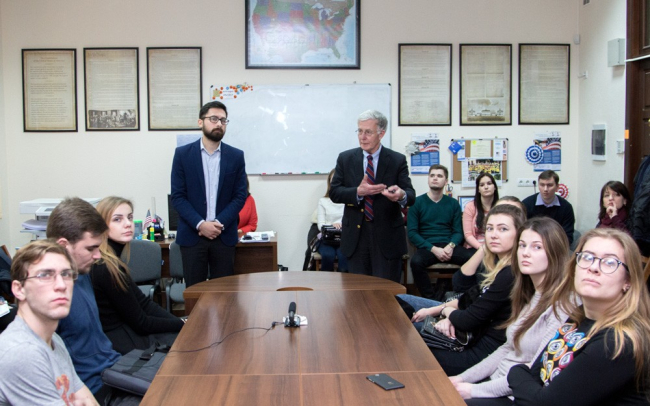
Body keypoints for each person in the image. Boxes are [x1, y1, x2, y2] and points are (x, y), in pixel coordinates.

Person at [507, 228, 650, 405]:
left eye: (609, 262)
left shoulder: (618, 341)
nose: (593, 267)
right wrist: (526, 380)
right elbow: (537, 373)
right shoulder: (579, 315)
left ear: (628, 281)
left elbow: (545, 403)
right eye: (587, 257)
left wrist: (516, 371)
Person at [450, 218, 571, 404]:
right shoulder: (530, 293)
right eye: (522, 245)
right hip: (494, 383)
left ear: (555, 252)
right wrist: (461, 379)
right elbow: (507, 349)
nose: (525, 253)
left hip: (513, 396)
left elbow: (534, 369)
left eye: (537, 247)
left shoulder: (562, 305)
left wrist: (472, 390)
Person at [399, 204, 525, 376]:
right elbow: (465, 294)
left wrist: (447, 313)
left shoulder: (509, 274)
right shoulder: (498, 265)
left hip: (476, 351)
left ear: (519, 234)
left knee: (404, 340)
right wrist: (438, 312)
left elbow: (467, 320)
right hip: (467, 331)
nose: (494, 235)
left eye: (503, 229)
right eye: (489, 228)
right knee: (400, 304)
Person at [48, 197, 140, 405]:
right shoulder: (51, 295)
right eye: (91, 249)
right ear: (63, 246)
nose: (98, 256)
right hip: (95, 389)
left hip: (114, 371)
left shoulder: (82, 273)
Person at [0, 240, 98, 405]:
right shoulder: (22, 352)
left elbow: (87, 399)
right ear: (19, 289)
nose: (61, 285)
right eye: (45, 275)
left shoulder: (53, 339)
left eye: (66, 274)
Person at [329, 110, 415, 282]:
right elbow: (334, 192)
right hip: (356, 236)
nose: (362, 137)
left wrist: (400, 196)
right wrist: (358, 192)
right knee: (358, 291)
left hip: (387, 236)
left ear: (381, 134)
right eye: (360, 131)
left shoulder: (396, 160)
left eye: (368, 132)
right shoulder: (345, 158)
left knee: (386, 291)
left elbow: (410, 196)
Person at [91, 197, 184, 355]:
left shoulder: (114, 261)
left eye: (130, 217)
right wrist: (181, 324)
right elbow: (141, 323)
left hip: (128, 331)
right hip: (119, 340)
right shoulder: (106, 267)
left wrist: (179, 322)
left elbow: (144, 304)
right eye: (117, 219)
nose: (128, 224)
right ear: (101, 226)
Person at [171, 101, 247, 288]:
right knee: (195, 293)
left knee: (224, 293)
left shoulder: (236, 156)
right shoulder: (182, 154)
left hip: (223, 235)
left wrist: (218, 223)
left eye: (223, 120)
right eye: (213, 119)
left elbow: (240, 196)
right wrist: (201, 224)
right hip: (192, 236)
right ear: (200, 122)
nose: (219, 124)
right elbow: (178, 196)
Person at [408, 164, 475, 299]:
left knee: (473, 258)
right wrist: (433, 249)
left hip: (449, 245)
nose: (435, 178)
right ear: (428, 179)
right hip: (428, 247)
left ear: (446, 181)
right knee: (416, 262)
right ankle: (431, 299)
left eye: (439, 176)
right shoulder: (416, 202)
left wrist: (450, 246)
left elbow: (458, 232)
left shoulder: (453, 203)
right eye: (432, 175)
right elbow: (412, 233)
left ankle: (461, 296)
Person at [522, 170, 575, 245]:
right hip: (532, 245)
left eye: (549, 185)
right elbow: (521, 232)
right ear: (538, 186)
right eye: (542, 185)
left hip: (555, 246)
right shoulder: (526, 204)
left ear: (557, 187)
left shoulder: (566, 207)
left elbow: (568, 237)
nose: (545, 189)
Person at [317, 169, 348, 272]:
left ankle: (344, 281)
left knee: (344, 257)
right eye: (333, 180)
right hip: (327, 239)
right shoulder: (323, 201)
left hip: (344, 239)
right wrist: (332, 226)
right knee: (328, 256)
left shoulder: (349, 200)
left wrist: (341, 224)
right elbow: (320, 224)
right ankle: (326, 282)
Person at [463, 173, 499, 249]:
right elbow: (468, 235)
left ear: (495, 187)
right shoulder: (470, 207)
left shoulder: (501, 206)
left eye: (489, 184)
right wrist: (482, 248)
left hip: (496, 247)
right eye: (482, 185)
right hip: (475, 247)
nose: (486, 187)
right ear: (478, 189)